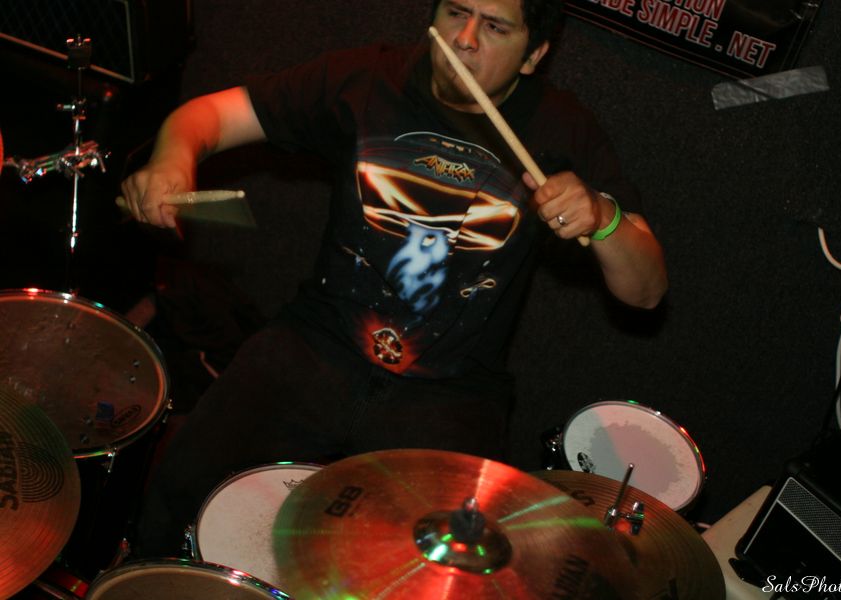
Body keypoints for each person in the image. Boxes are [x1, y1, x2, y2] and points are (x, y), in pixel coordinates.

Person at [121, 0, 667, 557]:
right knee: (181, 485)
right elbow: (213, 114)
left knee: (447, 569)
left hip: (453, 387)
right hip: (319, 341)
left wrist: (604, 218)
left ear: (534, 55)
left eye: (494, 26)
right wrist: (172, 159)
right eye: (456, 12)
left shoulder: (562, 127)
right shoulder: (368, 79)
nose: (465, 38)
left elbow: (646, 292)